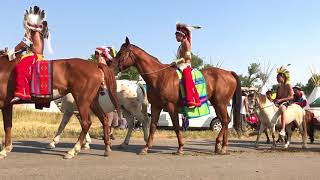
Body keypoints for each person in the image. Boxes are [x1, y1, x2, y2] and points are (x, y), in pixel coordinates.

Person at [9, 6, 50, 103]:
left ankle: (22, 93)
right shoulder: (38, 31)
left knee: (21, 67)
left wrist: (12, 51)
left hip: (34, 56)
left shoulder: (30, 32)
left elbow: (23, 44)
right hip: (37, 55)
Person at [171, 23, 201, 108]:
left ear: (182, 35)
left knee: (187, 77)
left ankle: (192, 100)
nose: (176, 38)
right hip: (180, 65)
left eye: (177, 36)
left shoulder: (186, 43)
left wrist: (175, 62)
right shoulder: (181, 45)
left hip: (186, 65)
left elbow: (188, 57)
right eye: (176, 36)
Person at [274, 66, 294, 137]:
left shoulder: (288, 85)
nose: (276, 79)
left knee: (282, 108)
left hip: (286, 102)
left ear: (283, 77)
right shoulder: (278, 87)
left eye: (278, 77)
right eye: (276, 78)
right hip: (279, 102)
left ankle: (283, 129)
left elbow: (292, 96)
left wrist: (281, 100)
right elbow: (276, 97)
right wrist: (274, 100)